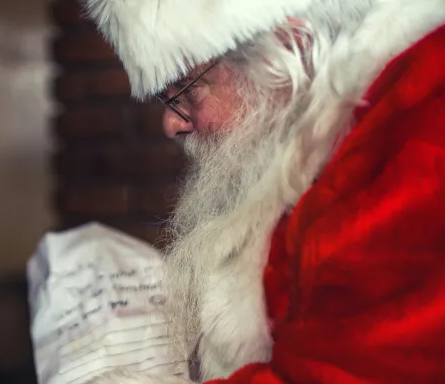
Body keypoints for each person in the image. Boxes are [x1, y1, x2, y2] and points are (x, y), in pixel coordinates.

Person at [78, 0, 445, 383]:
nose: (172, 122)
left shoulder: (416, 130)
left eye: (187, 89)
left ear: (291, 48)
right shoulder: (329, 140)